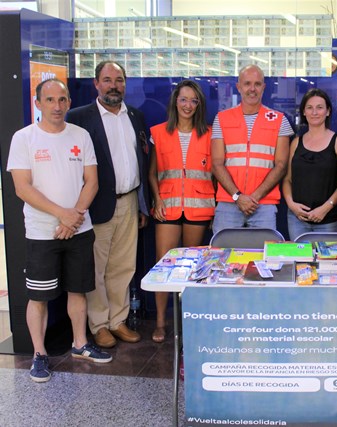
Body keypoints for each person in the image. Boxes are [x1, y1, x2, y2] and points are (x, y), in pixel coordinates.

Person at [7, 79, 112, 383]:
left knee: (78, 290)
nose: (57, 106)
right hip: (42, 234)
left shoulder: (80, 135)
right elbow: (22, 188)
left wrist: (74, 217)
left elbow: (91, 181)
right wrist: (62, 216)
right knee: (38, 297)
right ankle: (39, 354)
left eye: (62, 99)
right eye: (50, 100)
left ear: (68, 102)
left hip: (79, 230)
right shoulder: (24, 138)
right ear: (38, 103)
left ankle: (80, 343)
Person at [66, 61, 149, 348]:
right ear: (96, 84)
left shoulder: (135, 116)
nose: (114, 85)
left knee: (123, 267)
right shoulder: (79, 118)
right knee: (97, 268)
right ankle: (99, 324)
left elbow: (141, 162)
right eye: (108, 79)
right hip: (96, 205)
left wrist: (141, 205)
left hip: (129, 203)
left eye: (119, 80)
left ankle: (118, 321)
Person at [148, 80, 215, 343]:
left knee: (192, 270)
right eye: (183, 99)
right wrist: (157, 199)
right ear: (175, 101)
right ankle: (161, 322)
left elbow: (216, 172)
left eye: (193, 100)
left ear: (199, 105)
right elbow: (152, 172)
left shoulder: (210, 134)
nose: (188, 105)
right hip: (169, 206)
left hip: (199, 209)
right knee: (163, 266)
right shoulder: (159, 132)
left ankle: (189, 319)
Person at [211, 64, 294, 234]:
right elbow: (216, 164)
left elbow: (281, 165)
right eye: (247, 83)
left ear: (264, 87)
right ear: (239, 87)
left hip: (263, 204)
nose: (252, 89)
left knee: (264, 258)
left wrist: (254, 198)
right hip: (229, 202)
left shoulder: (279, 120)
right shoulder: (222, 119)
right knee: (222, 256)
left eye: (257, 84)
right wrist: (238, 197)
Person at [283, 88, 337, 241]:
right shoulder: (296, 143)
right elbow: (287, 180)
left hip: (327, 219)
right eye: (309, 108)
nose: (314, 112)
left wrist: (326, 207)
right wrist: (291, 204)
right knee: (300, 263)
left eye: (319, 107)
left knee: (327, 264)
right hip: (297, 219)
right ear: (303, 112)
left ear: (328, 111)